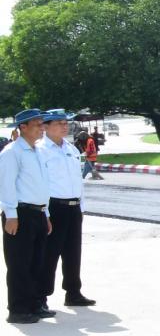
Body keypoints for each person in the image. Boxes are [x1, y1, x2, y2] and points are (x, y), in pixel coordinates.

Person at [1, 109, 54, 324]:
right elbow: (6, 185)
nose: (42, 128)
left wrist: (46, 213)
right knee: (19, 264)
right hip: (20, 214)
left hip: (38, 212)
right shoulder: (12, 152)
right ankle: (18, 309)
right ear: (22, 127)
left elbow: (42, 185)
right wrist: (10, 215)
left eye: (42, 124)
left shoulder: (38, 151)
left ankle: (34, 304)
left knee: (37, 262)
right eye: (37, 124)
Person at [40, 109, 95, 309]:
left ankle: (73, 292)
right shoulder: (40, 151)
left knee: (73, 252)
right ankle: (41, 296)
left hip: (73, 207)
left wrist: (82, 206)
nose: (65, 126)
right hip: (54, 207)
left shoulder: (71, 149)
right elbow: (41, 184)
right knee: (49, 254)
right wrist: (45, 213)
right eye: (59, 123)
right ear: (45, 127)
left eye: (66, 123)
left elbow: (77, 180)